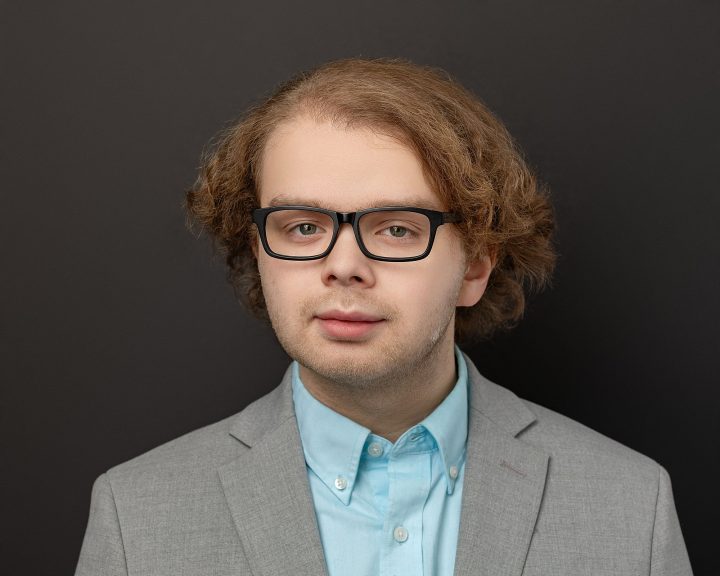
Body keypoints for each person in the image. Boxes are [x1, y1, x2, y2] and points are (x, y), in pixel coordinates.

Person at [75, 58, 692, 575]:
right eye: (303, 226)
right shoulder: (135, 517)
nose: (343, 265)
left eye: (397, 228)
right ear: (259, 249)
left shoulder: (631, 506)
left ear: (475, 265)